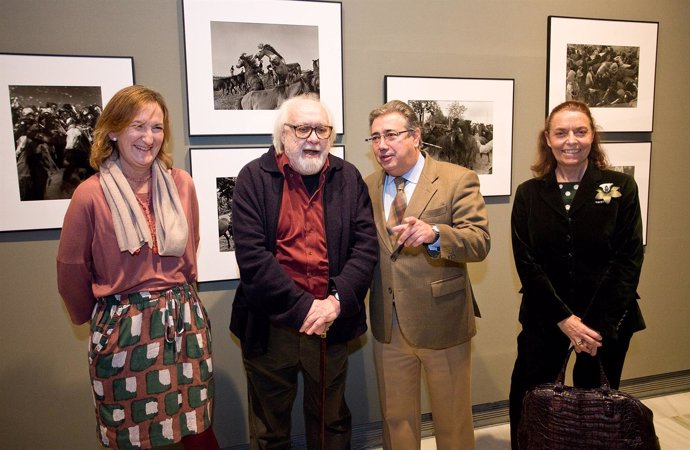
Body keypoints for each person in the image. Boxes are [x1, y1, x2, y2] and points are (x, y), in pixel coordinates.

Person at [56, 85, 220, 450]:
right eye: (138, 126)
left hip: (183, 325)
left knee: (194, 426)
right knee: (132, 433)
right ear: (112, 130)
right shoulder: (90, 194)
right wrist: (105, 318)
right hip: (123, 335)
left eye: (157, 127)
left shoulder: (183, 185)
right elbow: (70, 270)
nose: (149, 138)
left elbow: (190, 248)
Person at [230, 93, 378, 449]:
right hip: (271, 325)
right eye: (302, 129)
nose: (313, 138)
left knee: (332, 423)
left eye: (322, 129)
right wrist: (306, 308)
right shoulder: (253, 178)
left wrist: (335, 302)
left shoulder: (349, 177)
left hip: (331, 322)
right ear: (283, 135)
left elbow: (365, 246)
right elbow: (252, 258)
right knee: (269, 430)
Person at [508, 100, 645, 449]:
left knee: (594, 410)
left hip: (606, 321)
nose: (572, 139)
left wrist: (594, 324)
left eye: (580, 131)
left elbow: (628, 259)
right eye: (561, 132)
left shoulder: (621, 187)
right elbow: (527, 262)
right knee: (527, 397)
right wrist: (564, 319)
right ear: (548, 139)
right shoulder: (529, 193)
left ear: (593, 136)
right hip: (545, 317)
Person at [364, 100, 491, 450]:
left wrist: (436, 234)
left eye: (390, 134)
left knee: (452, 420)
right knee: (396, 420)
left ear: (415, 136)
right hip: (388, 324)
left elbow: (479, 242)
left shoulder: (457, 179)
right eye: (374, 138)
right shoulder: (368, 186)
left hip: (443, 321)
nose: (381, 145)